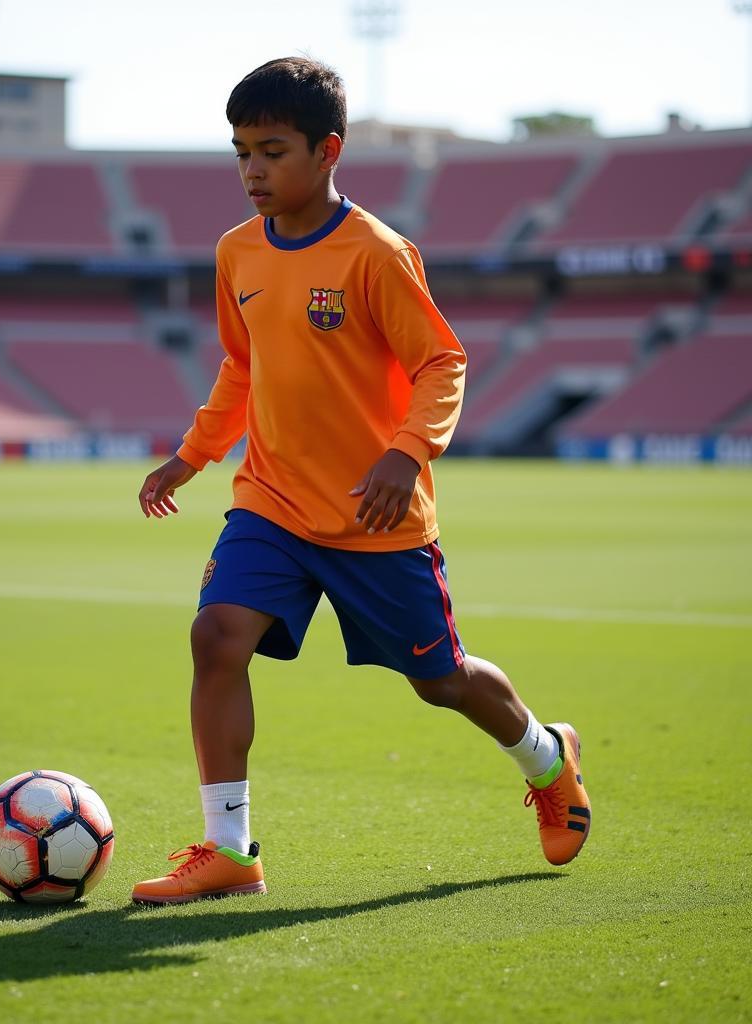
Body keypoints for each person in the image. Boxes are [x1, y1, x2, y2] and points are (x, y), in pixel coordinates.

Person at [131, 58, 590, 906]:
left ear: (328, 150)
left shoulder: (376, 253)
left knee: (440, 680)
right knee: (216, 637)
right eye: (241, 153)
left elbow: (442, 360)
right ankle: (231, 850)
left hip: (375, 513)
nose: (253, 171)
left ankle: (546, 759)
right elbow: (242, 367)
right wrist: (191, 457)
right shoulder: (236, 252)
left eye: (272, 151)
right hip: (270, 500)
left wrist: (406, 451)